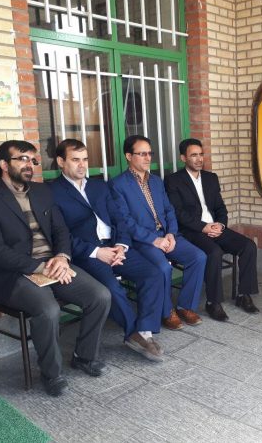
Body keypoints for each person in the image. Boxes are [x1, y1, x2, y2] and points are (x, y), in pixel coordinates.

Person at [0, 140, 111, 397]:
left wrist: (62, 257)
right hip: (15, 274)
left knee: (100, 296)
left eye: (33, 160)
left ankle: (84, 356)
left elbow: (60, 230)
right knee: (48, 310)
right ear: (4, 164)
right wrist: (39, 266)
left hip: (53, 264)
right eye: (22, 159)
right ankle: (51, 374)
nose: (29, 165)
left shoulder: (41, 191)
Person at [50, 139, 166, 362]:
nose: (82, 165)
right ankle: (133, 333)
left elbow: (119, 219)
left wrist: (121, 245)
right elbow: (60, 235)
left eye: (85, 159)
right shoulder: (52, 192)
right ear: (61, 162)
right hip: (87, 253)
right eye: (75, 160)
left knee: (154, 274)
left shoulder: (99, 186)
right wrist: (97, 252)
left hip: (114, 247)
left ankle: (144, 331)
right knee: (111, 288)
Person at [109, 135, 206, 328]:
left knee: (198, 257)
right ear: (128, 156)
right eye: (142, 154)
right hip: (143, 240)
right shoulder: (118, 184)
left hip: (166, 235)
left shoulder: (155, 181)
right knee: (163, 268)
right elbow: (125, 221)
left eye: (149, 153)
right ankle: (166, 312)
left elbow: (169, 210)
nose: (148, 158)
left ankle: (186, 306)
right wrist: (154, 240)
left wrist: (171, 233)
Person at [165, 138, 260, 321]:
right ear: (183, 158)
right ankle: (213, 302)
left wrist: (220, 225)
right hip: (193, 231)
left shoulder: (211, 178)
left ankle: (244, 295)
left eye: (201, 154)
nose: (199, 159)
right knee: (214, 252)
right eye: (194, 155)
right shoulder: (173, 180)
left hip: (215, 227)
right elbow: (178, 213)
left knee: (248, 246)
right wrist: (204, 227)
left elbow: (220, 208)